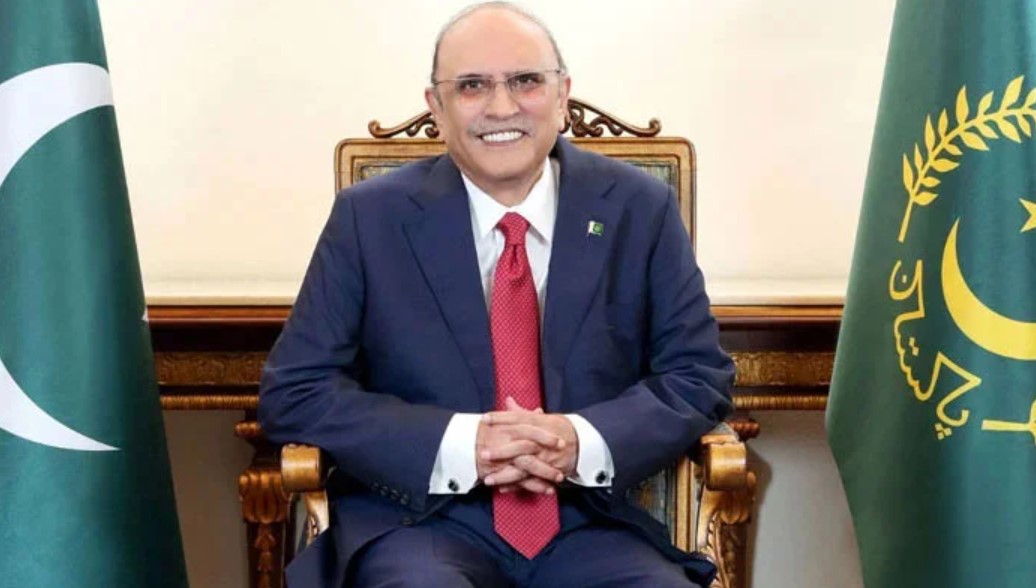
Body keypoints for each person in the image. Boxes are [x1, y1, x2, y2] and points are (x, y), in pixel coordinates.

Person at [258, 3, 734, 586]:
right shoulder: (370, 217)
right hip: (419, 523)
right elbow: (296, 391)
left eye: (526, 81)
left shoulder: (639, 207)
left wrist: (578, 441)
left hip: (589, 522)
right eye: (472, 86)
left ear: (563, 95)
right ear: (437, 108)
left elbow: (697, 375)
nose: (502, 108)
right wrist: (465, 445)